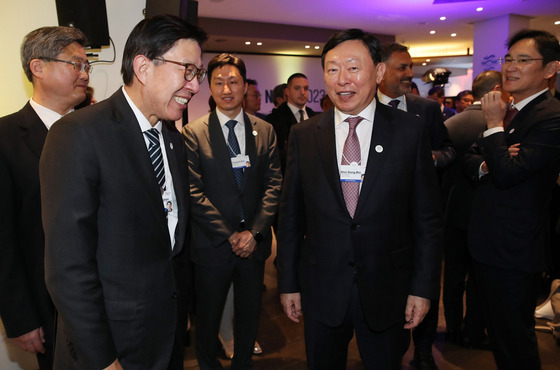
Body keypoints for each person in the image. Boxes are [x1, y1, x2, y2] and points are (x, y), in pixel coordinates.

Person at [40, 15, 207, 369]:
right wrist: (103, 359)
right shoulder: (79, 134)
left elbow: (173, 242)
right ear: (144, 67)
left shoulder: (174, 139)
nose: (194, 86)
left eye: (198, 74)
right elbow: (68, 268)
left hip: (166, 337)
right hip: (110, 345)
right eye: (188, 71)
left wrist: (181, 309)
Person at [277, 28, 443, 370]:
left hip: (388, 288)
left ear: (378, 72)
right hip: (322, 288)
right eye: (332, 69)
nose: (342, 80)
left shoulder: (410, 131)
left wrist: (423, 288)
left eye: (353, 67)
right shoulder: (304, 135)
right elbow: (291, 216)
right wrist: (288, 282)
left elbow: (427, 219)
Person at [464, 29, 560, 369]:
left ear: (549, 70)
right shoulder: (511, 111)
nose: (511, 67)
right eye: (508, 59)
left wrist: (493, 126)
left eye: (523, 60)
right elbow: (471, 159)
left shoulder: (551, 116)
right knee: (503, 337)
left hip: (514, 251)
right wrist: (495, 155)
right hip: (488, 246)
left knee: (514, 341)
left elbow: (508, 175)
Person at [183, 53, 281, 370]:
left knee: (250, 315)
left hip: (253, 246)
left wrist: (253, 234)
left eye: (234, 82)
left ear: (245, 85)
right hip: (213, 246)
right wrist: (230, 235)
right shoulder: (193, 133)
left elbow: (274, 184)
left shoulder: (264, 130)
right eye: (219, 82)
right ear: (208, 87)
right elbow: (193, 192)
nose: (227, 89)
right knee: (208, 320)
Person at [0, 25, 89, 370]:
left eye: (86, 66)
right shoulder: (6, 138)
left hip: (108, 300)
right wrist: (20, 318)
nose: (84, 74)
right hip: (46, 306)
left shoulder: (97, 130)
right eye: (75, 64)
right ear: (38, 67)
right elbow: (3, 241)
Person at [376, 42, 454, 369]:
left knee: (424, 282)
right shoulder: (363, 112)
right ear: (380, 71)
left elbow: (448, 151)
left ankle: (423, 351)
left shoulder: (427, 109)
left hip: (421, 220)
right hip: (381, 223)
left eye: (411, 67)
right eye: (402, 68)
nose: (410, 74)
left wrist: (430, 159)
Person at [441, 70, 506, 350]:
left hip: (452, 212)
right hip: (487, 215)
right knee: (479, 279)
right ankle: (473, 330)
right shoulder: (501, 126)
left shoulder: (451, 123)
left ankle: (453, 328)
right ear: (496, 90)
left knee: (452, 277)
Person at [267, 73, 318, 174]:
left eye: (306, 88)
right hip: (287, 177)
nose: (302, 92)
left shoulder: (316, 117)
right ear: (287, 91)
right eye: (297, 88)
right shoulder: (274, 119)